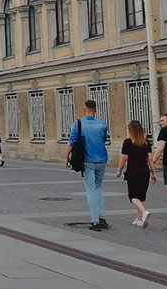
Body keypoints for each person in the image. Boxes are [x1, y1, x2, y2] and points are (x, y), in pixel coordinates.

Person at [65, 99, 110, 231]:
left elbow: (72, 141)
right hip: (102, 159)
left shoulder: (78, 124)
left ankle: (95, 221)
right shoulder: (102, 124)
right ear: (95, 110)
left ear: (84, 110)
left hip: (87, 160)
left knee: (90, 189)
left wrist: (66, 157)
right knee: (98, 187)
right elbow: (103, 140)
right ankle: (102, 217)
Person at [116, 119, 156, 228]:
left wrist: (119, 169)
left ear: (131, 130)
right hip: (145, 172)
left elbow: (124, 158)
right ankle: (139, 219)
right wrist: (154, 173)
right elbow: (150, 159)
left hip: (133, 171)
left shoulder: (128, 142)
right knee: (141, 197)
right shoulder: (146, 142)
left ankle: (144, 212)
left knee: (133, 196)